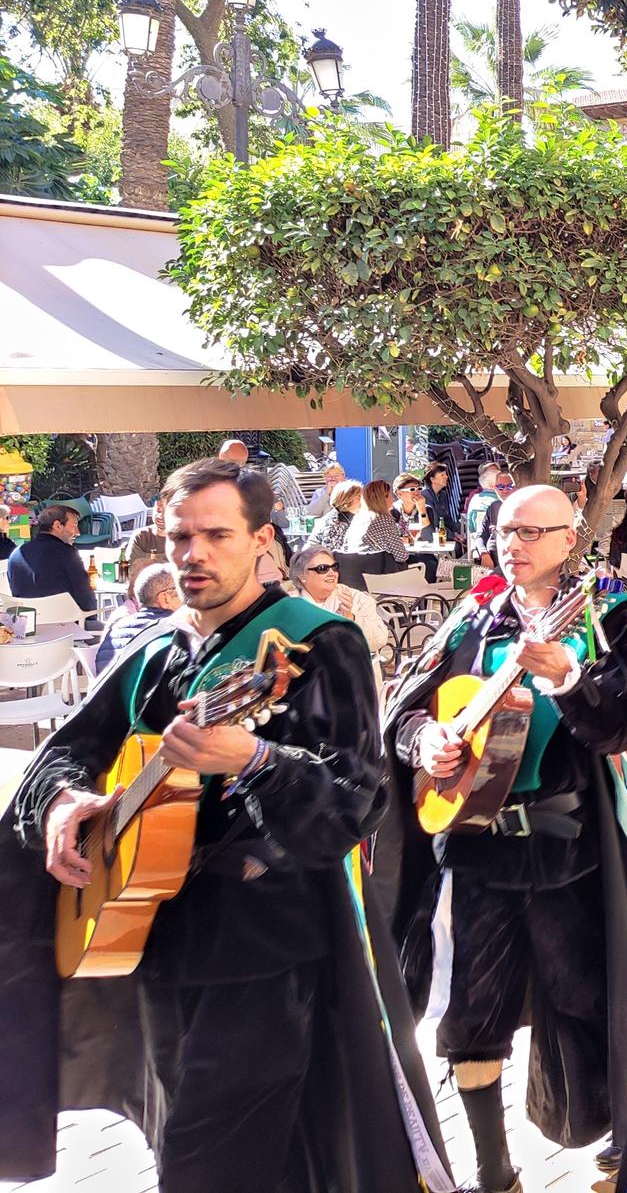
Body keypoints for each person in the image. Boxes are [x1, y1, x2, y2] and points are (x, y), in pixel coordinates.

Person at [0, 458, 450, 1189]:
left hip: (269, 946)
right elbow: (65, 752)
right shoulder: (158, 647)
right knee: (230, 1150)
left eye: (216, 534)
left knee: (204, 1161)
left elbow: (356, 800)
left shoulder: (318, 642)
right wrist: (61, 801)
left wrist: (256, 758)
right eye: (180, 536)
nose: (194, 554)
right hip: (156, 940)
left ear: (262, 539)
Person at [385, 483, 627, 1191]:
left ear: (570, 540)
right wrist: (428, 743)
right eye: (506, 530)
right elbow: (403, 710)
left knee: (592, 998)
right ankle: (493, 1172)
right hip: (477, 849)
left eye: (533, 532)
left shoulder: (607, 615)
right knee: (472, 1017)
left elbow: (624, 723)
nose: (515, 544)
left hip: (567, 847)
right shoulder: (473, 617)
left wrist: (570, 677)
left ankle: (619, 1149)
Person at [290, 545, 393, 668]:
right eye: (322, 569)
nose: (331, 573)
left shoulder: (358, 599)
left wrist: (350, 618)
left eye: (334, 567)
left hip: (353, 675)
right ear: (302, 575)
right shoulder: (289, 604)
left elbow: (379, 640)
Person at [5, 504, 97, 621]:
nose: (78, 532)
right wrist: (93, 619)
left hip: (27, 624)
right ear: (57, 526)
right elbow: (84, 595)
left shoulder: (16, 554)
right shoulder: (67, 553)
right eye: (74, 525)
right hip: (65, 626)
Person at [92, 561, 182, 674]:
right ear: (165, 599)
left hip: (112, 690)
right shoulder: (175, 630)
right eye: (183, 591)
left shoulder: (118, 626)